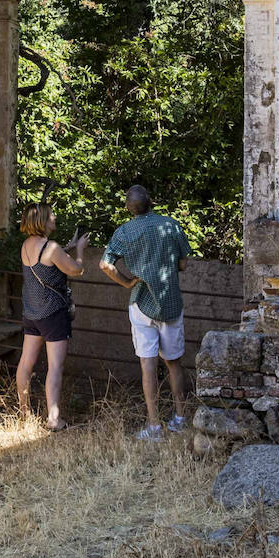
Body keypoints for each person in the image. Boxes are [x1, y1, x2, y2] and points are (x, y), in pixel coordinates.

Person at [99, 185, 191, 441]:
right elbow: (183, 263)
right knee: (174, 363)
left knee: (147, 365)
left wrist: (128, 281)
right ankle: (181, 418)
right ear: (151, 202)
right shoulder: (171, 225)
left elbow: (104, 264)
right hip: (171, 301)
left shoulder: (124, 232)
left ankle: (154, 426)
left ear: (129, 208)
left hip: (141, 304)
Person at [16, 203, 88, 431]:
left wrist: (66, 247)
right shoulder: (52, 247)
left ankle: (24, 413)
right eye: (51, 215)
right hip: (53, 313)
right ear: (43, 221)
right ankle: (54, 419)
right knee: (55, 366)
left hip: (32, 313)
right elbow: (76, 270)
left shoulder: (26, 245)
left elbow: (46, 262)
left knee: (26, 363)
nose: (55, 217)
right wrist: (80, 250)